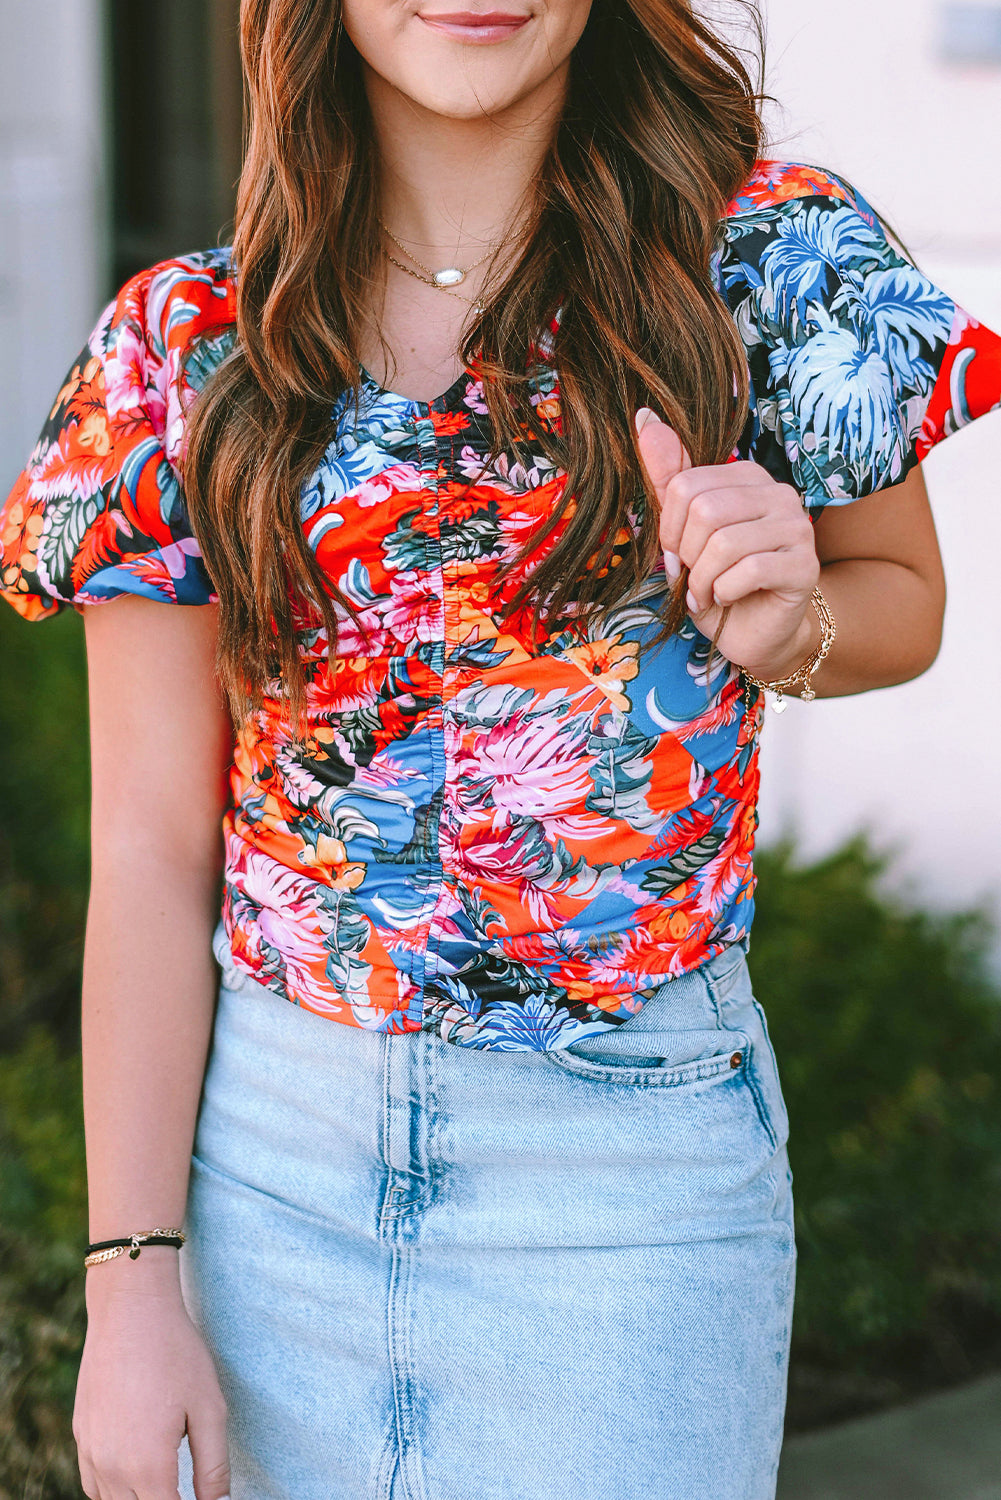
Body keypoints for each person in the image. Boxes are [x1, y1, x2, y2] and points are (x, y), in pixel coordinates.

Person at [2, 0, 1000, 1496]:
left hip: (633, 1182)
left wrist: (784, 615)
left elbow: (898, 604)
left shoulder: (770, 260)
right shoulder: (182, 346)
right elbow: (151, 852)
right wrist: (133, 1281)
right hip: (272, 1175)